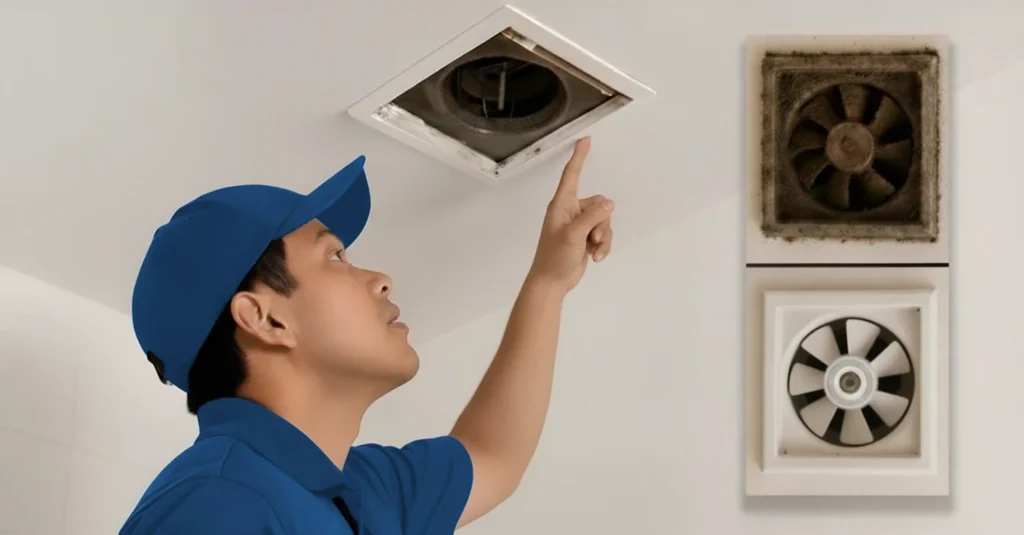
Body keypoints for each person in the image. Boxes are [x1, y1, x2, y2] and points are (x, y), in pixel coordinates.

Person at [119, 137, 614, 534]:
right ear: (265, 319)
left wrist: (548, 283)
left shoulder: (362, 492)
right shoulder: (217, 504)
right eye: (335, 257)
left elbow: (493, 457)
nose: (381, 279)